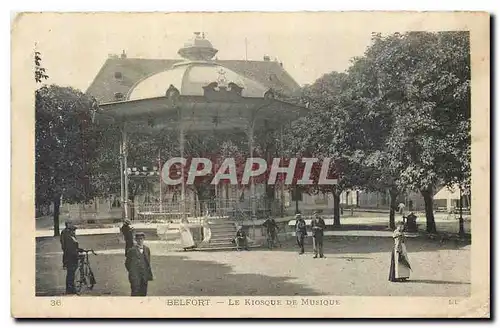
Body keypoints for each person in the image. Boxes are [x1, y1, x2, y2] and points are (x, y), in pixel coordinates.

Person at [62, 223, 83, 295]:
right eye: (73, 230)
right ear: (70, 231)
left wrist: (79, 249)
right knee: (70, 273)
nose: (74, 232)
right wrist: (76, 253)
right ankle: (70, 289)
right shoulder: (67, 236)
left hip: (72, 256)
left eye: (74, 230)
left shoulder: (72, 237)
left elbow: (74, 246)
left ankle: (71, 288)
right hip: (70, 257)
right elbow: (68, 248)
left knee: (72, 273)